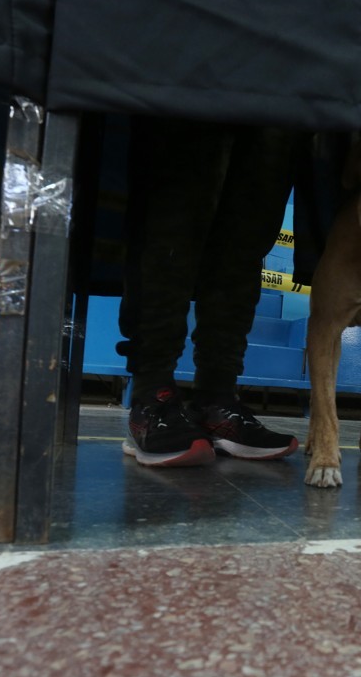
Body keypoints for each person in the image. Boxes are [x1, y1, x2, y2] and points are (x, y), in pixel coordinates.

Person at [117, 118, 302, 467]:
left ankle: (216, 401)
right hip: (183, 77)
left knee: (246, 237)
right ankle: (150, 395)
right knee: (171, 217)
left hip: (278, 82)